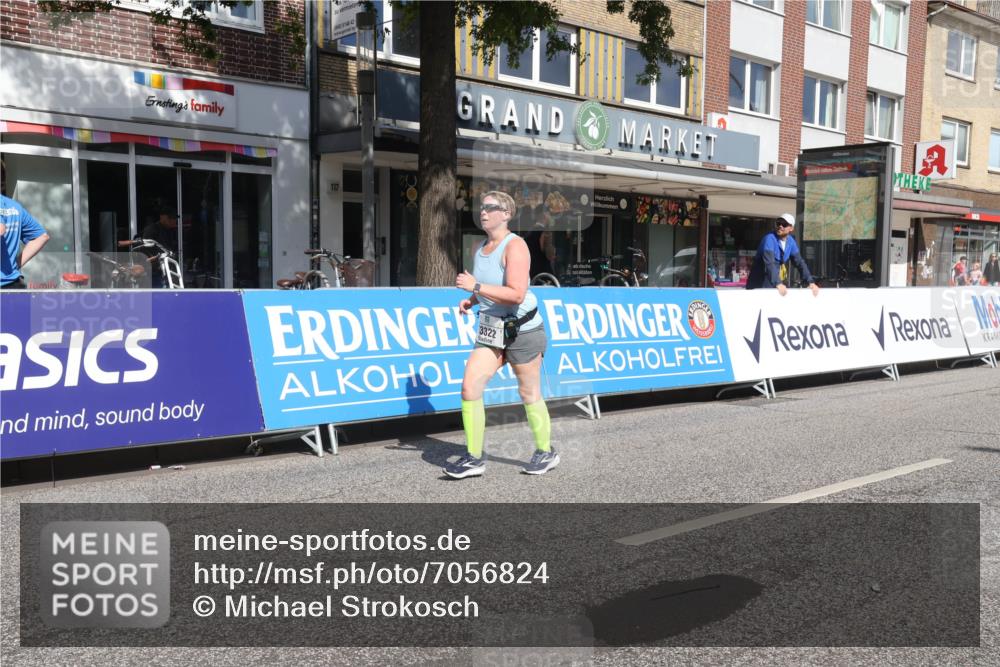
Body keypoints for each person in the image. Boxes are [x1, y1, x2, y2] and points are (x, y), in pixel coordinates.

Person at [447, 190, 556, 479]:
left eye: (490, 207)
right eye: (481, 207)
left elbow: (517, 294)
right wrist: (472, 300)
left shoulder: (515, 246)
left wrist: (475, 287)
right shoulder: (480, 247)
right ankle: (473, 458)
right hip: (492, 329)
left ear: (506, 214)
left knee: (528, 392)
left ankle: (545, 451)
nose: (483, 212)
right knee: (470, 387)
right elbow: (490, 286)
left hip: (523, 330)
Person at [745, 213, 819, 296]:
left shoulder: (790, 241)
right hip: (759, 282)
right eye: (778, 223)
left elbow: (800, 262)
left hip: (773, 280)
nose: (780, 226)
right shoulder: (769, 238)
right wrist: (778, 283)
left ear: (791, 228)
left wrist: (810, 282)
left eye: (784, 224)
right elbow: (770, 263)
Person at [1, 193, 49, 289]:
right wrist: (16, 264)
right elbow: (42, 237)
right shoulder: (14, 207)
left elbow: (1, 229)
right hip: (13, 283)